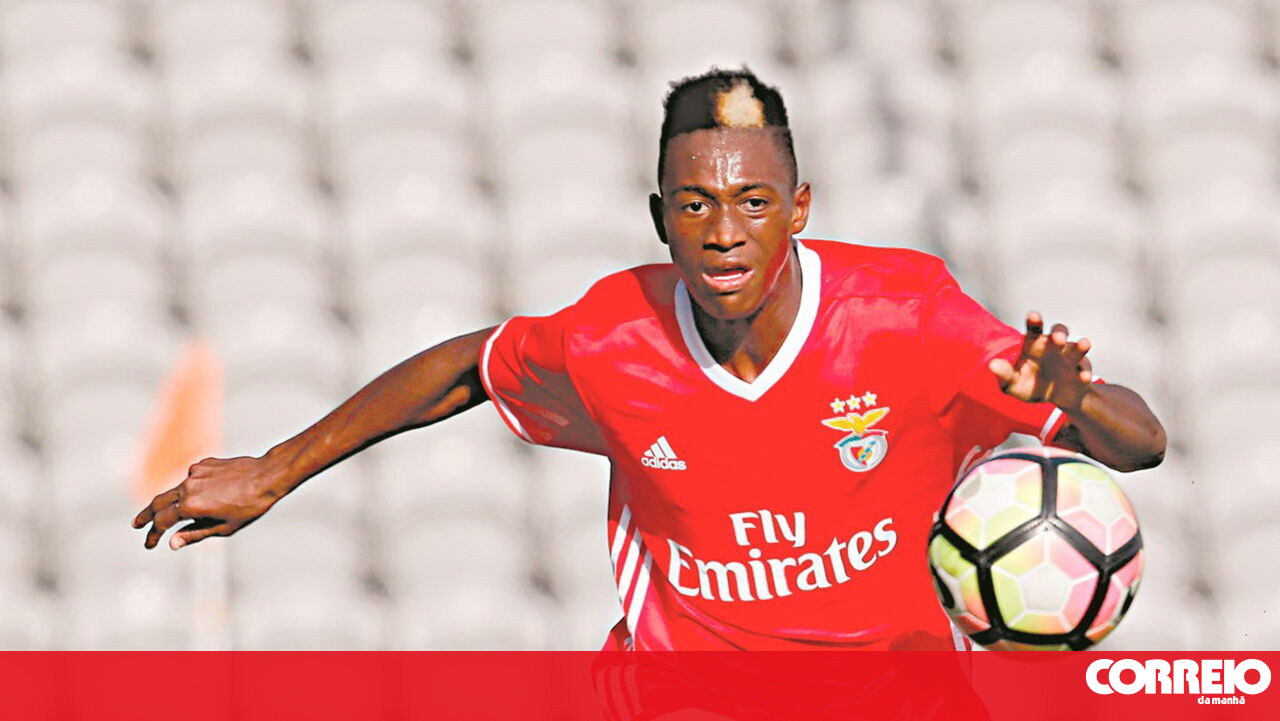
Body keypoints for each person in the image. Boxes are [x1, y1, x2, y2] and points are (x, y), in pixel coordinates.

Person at [133, 69, 1165, 652]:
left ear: (798, 209)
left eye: (753, 202)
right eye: (695, 204)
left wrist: (1077, 400)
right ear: (659, 216)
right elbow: (466, 366)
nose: (724, 232)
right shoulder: (609, 335)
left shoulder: (906, 315)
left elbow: (1140, 443)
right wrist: (274, 469)